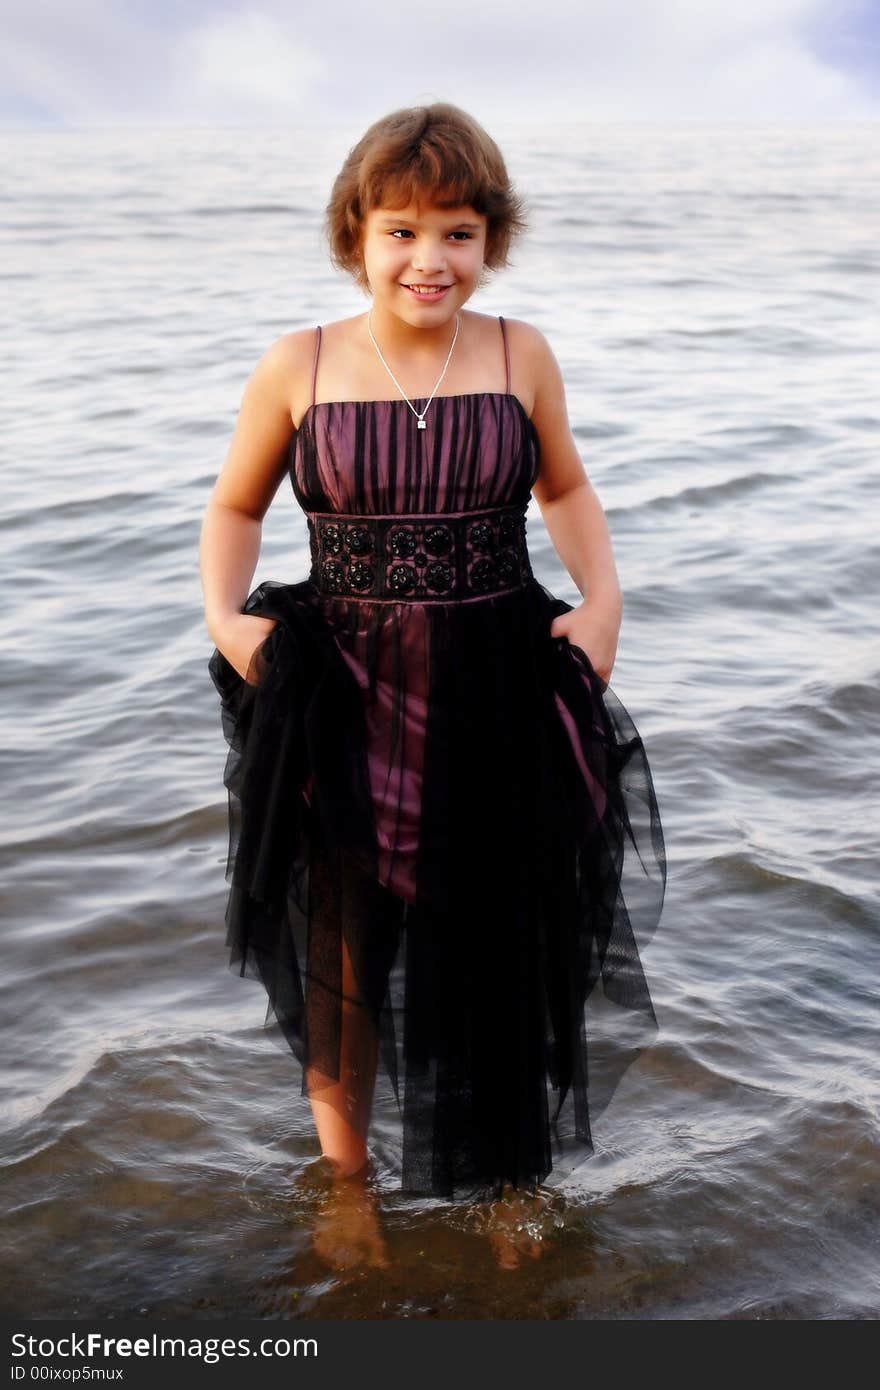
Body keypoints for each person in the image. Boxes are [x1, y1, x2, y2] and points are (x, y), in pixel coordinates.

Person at [199, 102, 667, 1222]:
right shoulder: (297, 363)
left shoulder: (519, 352)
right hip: (339, 696)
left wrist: (603, 601)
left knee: (505, 945)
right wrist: (226, 615)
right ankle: (348, 1187)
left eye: (457, 232)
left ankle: (510, 1194)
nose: (429, 259)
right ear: (356, 232)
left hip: (495, 688)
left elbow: (564, 489)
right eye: (402, 231)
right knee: (345, 948)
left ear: (489, 239)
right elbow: (233, 504)